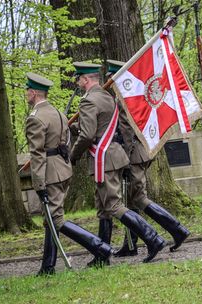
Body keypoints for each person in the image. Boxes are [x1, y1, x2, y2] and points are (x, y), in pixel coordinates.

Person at [70, 62, 166, 264]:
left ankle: (153, 238)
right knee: (103, 207)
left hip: (103, 157)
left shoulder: (87, 101)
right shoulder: (106, 97)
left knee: (113, 205)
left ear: (86, 79)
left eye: (78, 79)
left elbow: (88, 135)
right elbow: (99, 125)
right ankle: (102, 255)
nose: (77, 83)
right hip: (113, 155)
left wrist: (73, 155)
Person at [24, 72, 111, 274]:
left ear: (34, 93)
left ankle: (99, 247)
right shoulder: (57, 113)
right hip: (63, 169)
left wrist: (38, 183)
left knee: (56, 219)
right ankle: (48, 266)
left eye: (28, 91)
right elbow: (66, 142)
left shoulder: (35, 118)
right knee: (51, 218)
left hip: (50, 173)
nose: (26, 95)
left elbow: (37, 154)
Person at [104, 59, 190, 257]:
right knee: (133, 199)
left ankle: (177, 230)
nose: (109, 80)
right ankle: (131, 244)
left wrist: (124, 159)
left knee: (139, 198)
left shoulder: (123, 99)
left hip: (133, 156)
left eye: (111, 77)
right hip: (141, 153)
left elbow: (126, 133)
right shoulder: (131, 97)